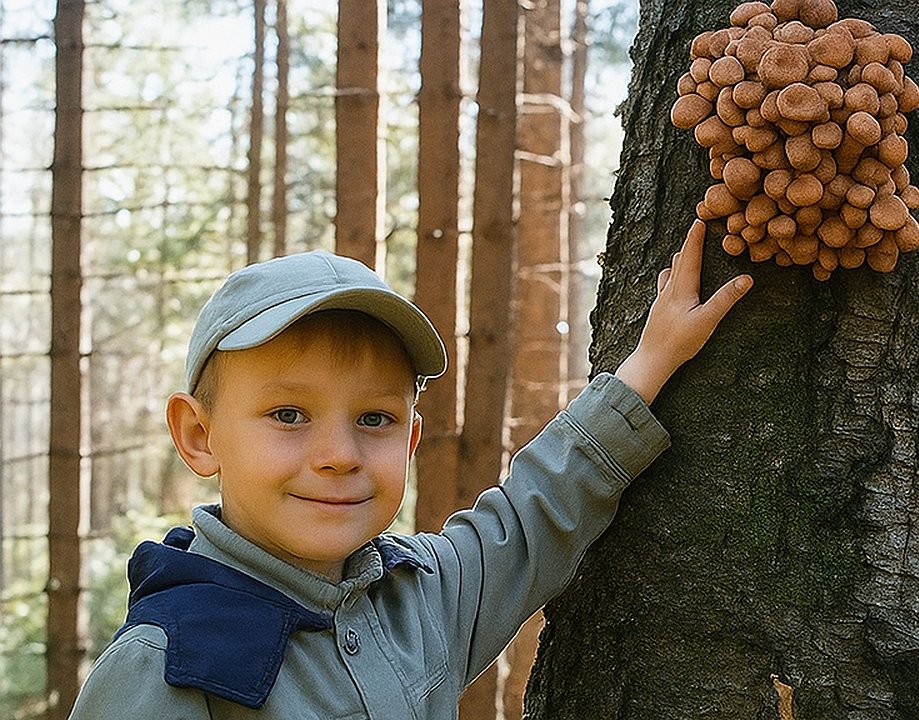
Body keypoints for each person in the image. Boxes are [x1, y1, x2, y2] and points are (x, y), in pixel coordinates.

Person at [68, 219, 752, 719]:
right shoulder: (168, 664)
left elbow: (535, 512)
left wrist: (653, 361)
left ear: (412, 438)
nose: (339, 454)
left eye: (374, 420)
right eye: (288, 415)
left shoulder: (421, 597)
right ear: (199, 434)